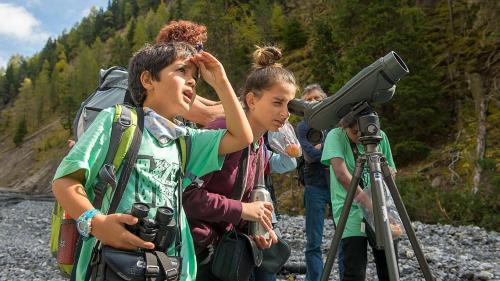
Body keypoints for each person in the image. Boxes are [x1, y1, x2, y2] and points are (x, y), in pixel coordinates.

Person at [52, 42, 253, 281]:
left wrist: (221, 81)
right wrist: (95, 222)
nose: (192, 81)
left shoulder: (186, 140)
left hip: (170, 265)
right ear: (148, 80)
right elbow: (64, 180)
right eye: (181, 71)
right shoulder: (118, 122)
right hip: (111, 263)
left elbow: (242, 137)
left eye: (195, 77)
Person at [183, 46, 297, 281]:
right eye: (278, 103)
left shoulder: (259, 147)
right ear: (251, 100)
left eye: (290, 105)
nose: (285, 113)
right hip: (196, 254)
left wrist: (260, 228)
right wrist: (243, 210)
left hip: (226, 253)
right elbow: (186, 197)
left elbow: (246, 199)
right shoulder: (220, 133)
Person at [321, 110, 398, 281]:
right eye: (353, 132)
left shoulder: (379, 135)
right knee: (354, 268)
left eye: (361, 132)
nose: (358, 136)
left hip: (380, 207)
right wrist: (369, 204)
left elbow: (390, 171)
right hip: (349, 208)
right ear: (345, 126)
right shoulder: (336, 135)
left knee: (388, 264)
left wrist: (389, 174)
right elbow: (341, 174)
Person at [156, 20, 224, 126]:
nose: (202, 53)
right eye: (198, 47)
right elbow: (209, 116)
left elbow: (214, 105)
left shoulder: (178, 80)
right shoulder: (173, 85)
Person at [296, 84, 331, 281]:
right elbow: (311, 155)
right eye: (308, 100)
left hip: (338, 184)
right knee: (313, 241)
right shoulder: (302, 126)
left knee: (345, 237)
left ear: (325, 100)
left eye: (317, 98)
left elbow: (321, 152)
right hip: (314, 186)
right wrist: (329, 148)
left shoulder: (334, 125)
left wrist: (322, 147)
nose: (313, 102)